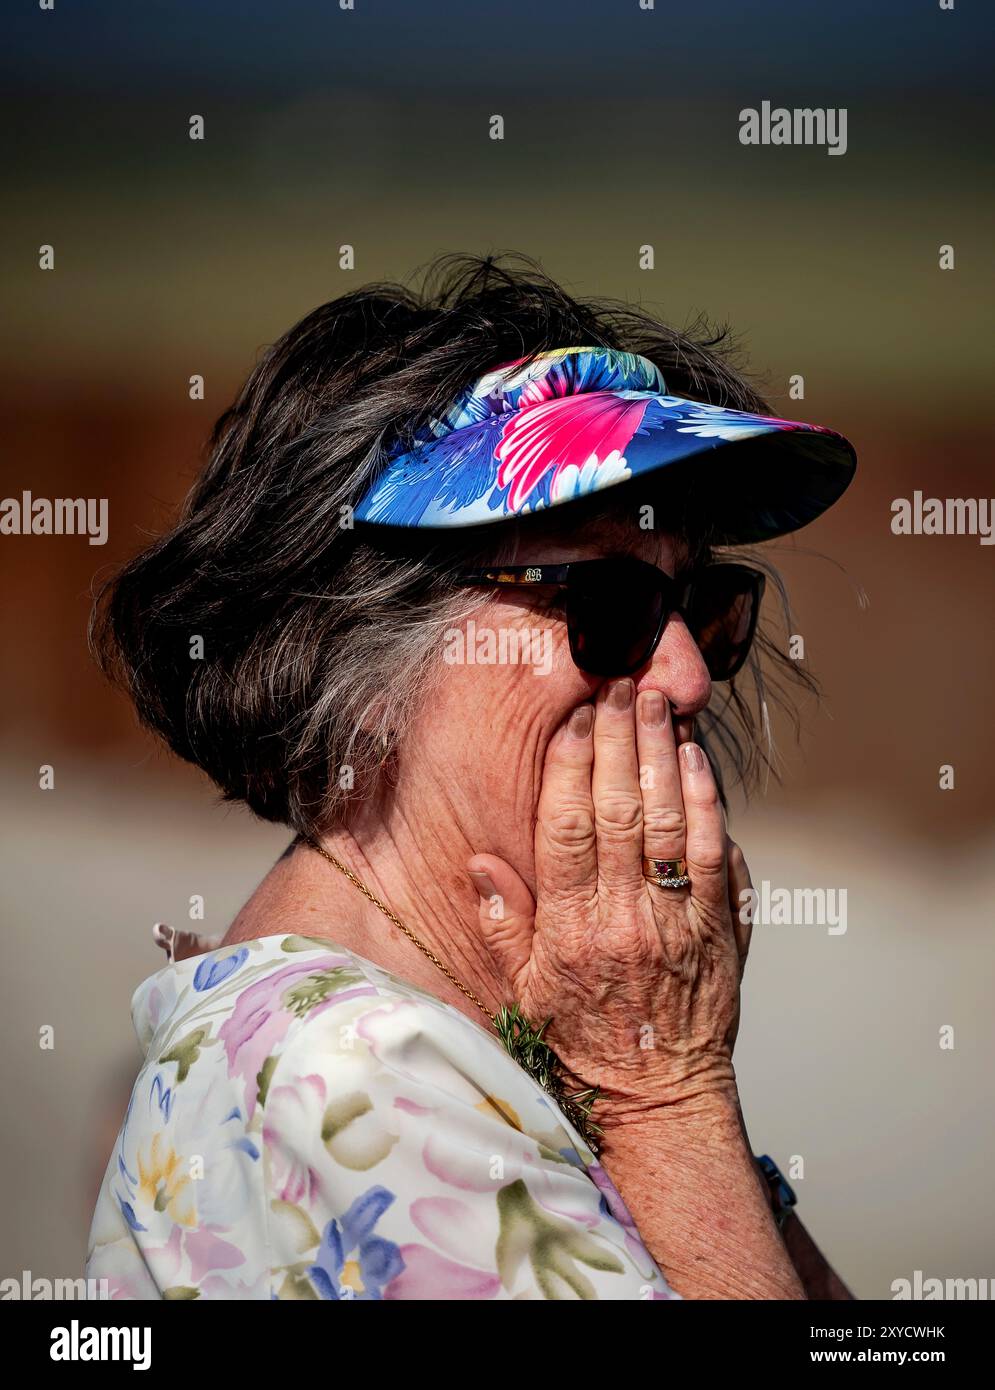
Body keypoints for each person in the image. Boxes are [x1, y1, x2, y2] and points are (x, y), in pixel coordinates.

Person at [86, 253, 855, 1300]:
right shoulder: (356, 1087)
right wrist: (663, 1096)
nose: (682, 675)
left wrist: (690, 1134)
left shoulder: (462, 1040)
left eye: (702, 603)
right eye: (607, 603)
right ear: (351, 647)